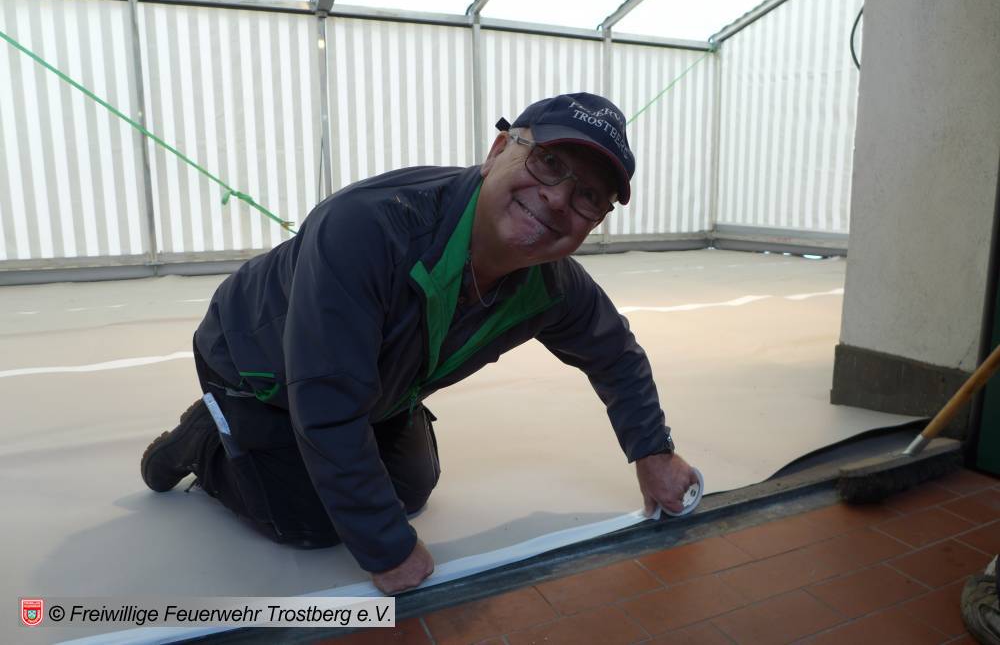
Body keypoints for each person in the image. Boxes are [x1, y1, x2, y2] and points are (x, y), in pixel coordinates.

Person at [140, 92, 699, 595]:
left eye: (588, 197)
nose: (557, 199)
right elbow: (326, 401)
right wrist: (387, 549)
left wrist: (654, 454)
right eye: (549, 163)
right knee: (310, 522)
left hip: (375, 381)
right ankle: (203, 439)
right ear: (498, 150)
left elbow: (615, 355)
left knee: (410, 491)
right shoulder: (368, 227)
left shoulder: (551, 284)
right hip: (256, 365)